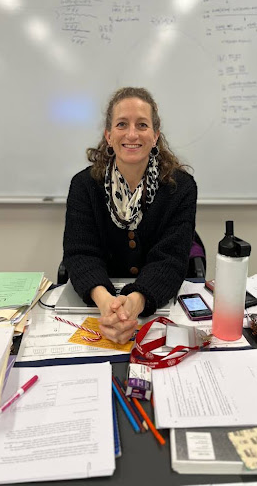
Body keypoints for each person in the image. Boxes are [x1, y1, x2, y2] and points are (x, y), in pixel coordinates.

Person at [63, 87, 197, 343]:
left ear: (155, 135)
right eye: (122, 124)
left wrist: (135, 303)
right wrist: (107, 304)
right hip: (98, 304)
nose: (132, 134)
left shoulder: (180, 187)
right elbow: (80, 253)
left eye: (142, 125)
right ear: (109, 135)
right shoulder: (83, 185)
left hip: (153, 305)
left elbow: (170, 258)